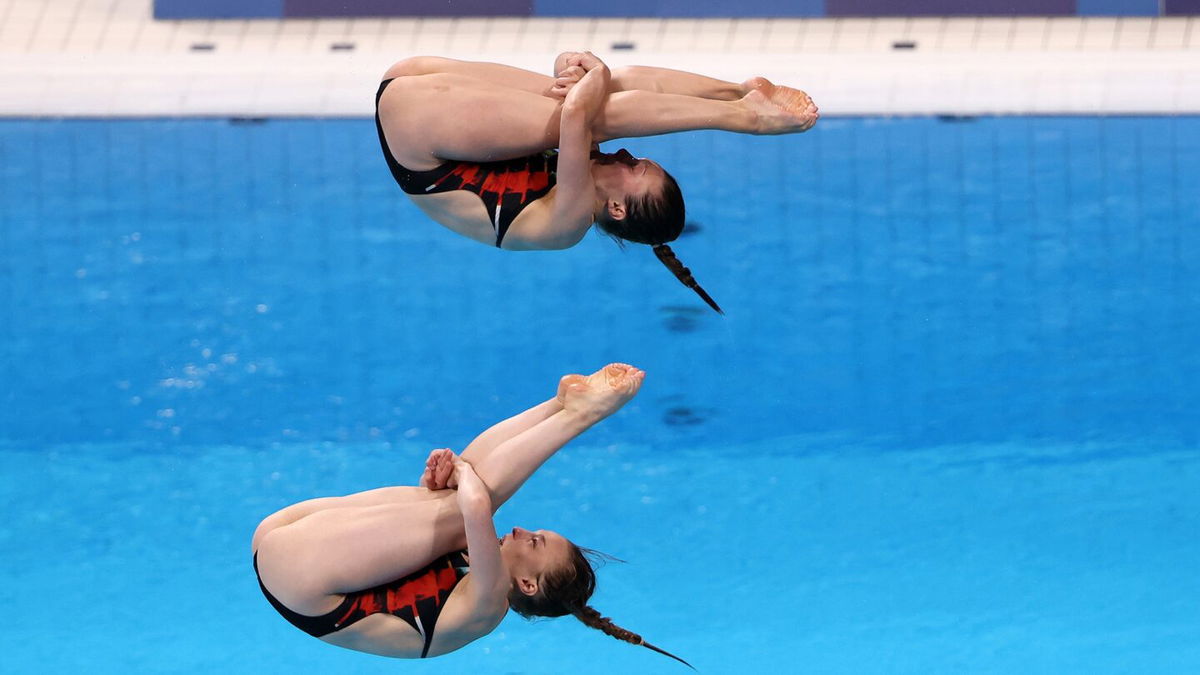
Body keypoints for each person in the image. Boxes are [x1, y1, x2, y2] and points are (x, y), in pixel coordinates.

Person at [251, 363, 691, 667]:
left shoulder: (484, 605)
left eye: (533, 542)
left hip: (300, 578)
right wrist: (443, 480)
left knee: (469, 504)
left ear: (528, 584)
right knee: (449, 499)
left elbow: (478, 504)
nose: (521, 530)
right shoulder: (479, 565)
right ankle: (560, 406)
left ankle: (579, 418)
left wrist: (458, 477)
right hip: (285, 552)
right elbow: (439, 516)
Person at [375, 52, 820, 313]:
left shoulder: (566, 225)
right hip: (410, 79)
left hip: (419, 136)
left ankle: (745, 117)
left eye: (635, 169)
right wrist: (575, 67)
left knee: (601, 112)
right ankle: (735, 91)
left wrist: (596, 74)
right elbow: (567, 89)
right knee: (600, 98)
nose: (627, 156)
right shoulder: (589, 166)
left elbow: (576, 114)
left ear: (618, 209)